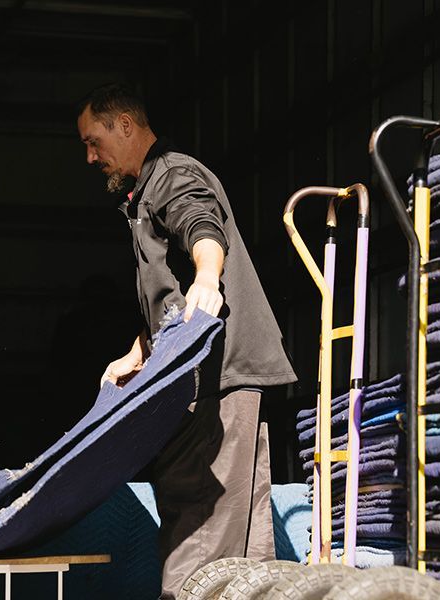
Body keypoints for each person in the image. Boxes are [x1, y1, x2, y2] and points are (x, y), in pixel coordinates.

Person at [76, 83, 297, 599]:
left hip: (216, 380)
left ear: (125, 125)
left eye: (93, 140)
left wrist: (206, 277)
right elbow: (171, 297)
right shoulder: (145, 190)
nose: (90, 156)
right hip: (218, 378)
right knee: (241, 530)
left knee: (199, 525)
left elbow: (202, 227)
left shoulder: (172, 174)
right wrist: (139, 351)